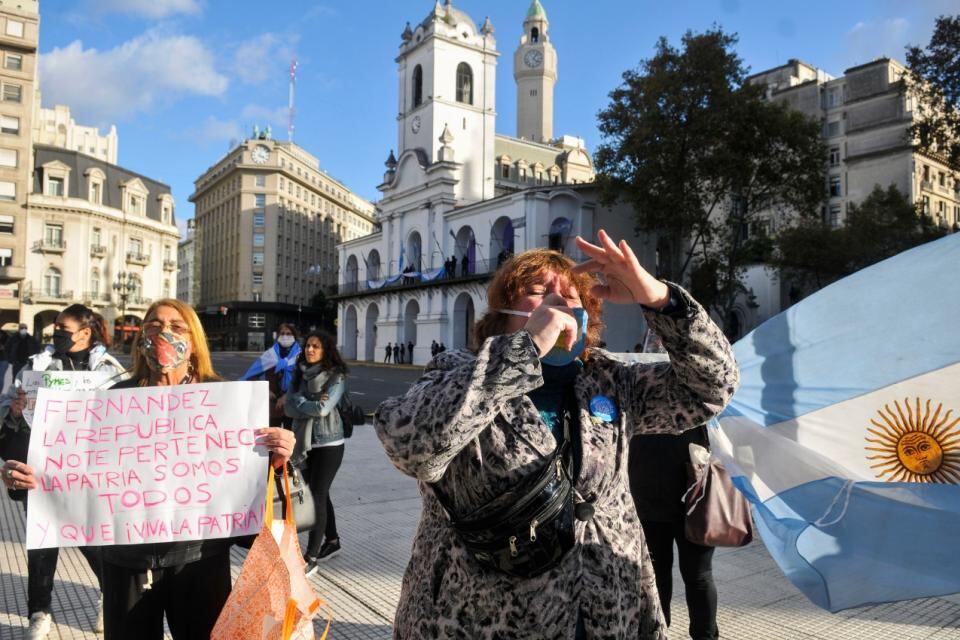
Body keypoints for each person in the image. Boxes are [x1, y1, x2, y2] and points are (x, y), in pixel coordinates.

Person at [374, 230, 738, 638]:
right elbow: (411, 446)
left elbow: (711, 388)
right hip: (481, 617)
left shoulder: (611, 380)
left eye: (572, 293)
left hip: (606, 611)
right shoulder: (458, 373)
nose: (558, 298)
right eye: (537, 290)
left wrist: (657, 297)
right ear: (502, 312)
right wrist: (525, 348)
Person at [1, 299, 295, 640]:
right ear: (142, 338)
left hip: (199, 558)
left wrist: (278, 457)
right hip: (126, 560)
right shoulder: (114, 398)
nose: (163, 333)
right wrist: (28, 480)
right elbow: (75, 469)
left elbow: (254, 479)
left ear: (194, 342)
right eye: (154, 325)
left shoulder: (225, 399)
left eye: (176, 326)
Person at [0, 305, 127, 639]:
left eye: (63, 328)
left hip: (88, 475)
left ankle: (108, 596)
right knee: (41, 547)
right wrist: (15, 411)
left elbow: (127, 418)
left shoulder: (110, 371)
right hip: (41, 471)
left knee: (95, 544)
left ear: (85, 332)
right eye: (55, 328)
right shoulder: (34, 367)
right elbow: (8, 412)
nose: (56, 333)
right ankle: (38, 614)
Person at [631, 424, 719, 640]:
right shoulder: (695, 396)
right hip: (672, 498)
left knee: (689, 576)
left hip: (679, 498)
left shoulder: (642, 396)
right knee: (690, 576)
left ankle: (669, 633)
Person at [284, 330, 347, 575]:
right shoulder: (299, 374)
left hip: (330, 443)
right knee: (317, 494)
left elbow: (323, 409)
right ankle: (332, 541)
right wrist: (304, 401)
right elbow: (288, 406)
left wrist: (300, 401)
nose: (310, 350)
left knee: (317, 495)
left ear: (326, 350)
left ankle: (311, 557)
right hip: (304, 442)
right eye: (308, 345)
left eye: (316, 347)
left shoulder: (336, 376)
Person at [242, 323, 301, 428]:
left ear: (294, 336)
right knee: (272, 438)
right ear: (277, 336)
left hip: (293, 404)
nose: (285, 336)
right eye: (282, 333)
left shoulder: (301, 356)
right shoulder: (269, 355)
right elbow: (250, 376)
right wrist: (265, 390)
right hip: (273, 405)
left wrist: (286, 396)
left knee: (291, 439)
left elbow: (304, 380)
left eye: (289, 333)